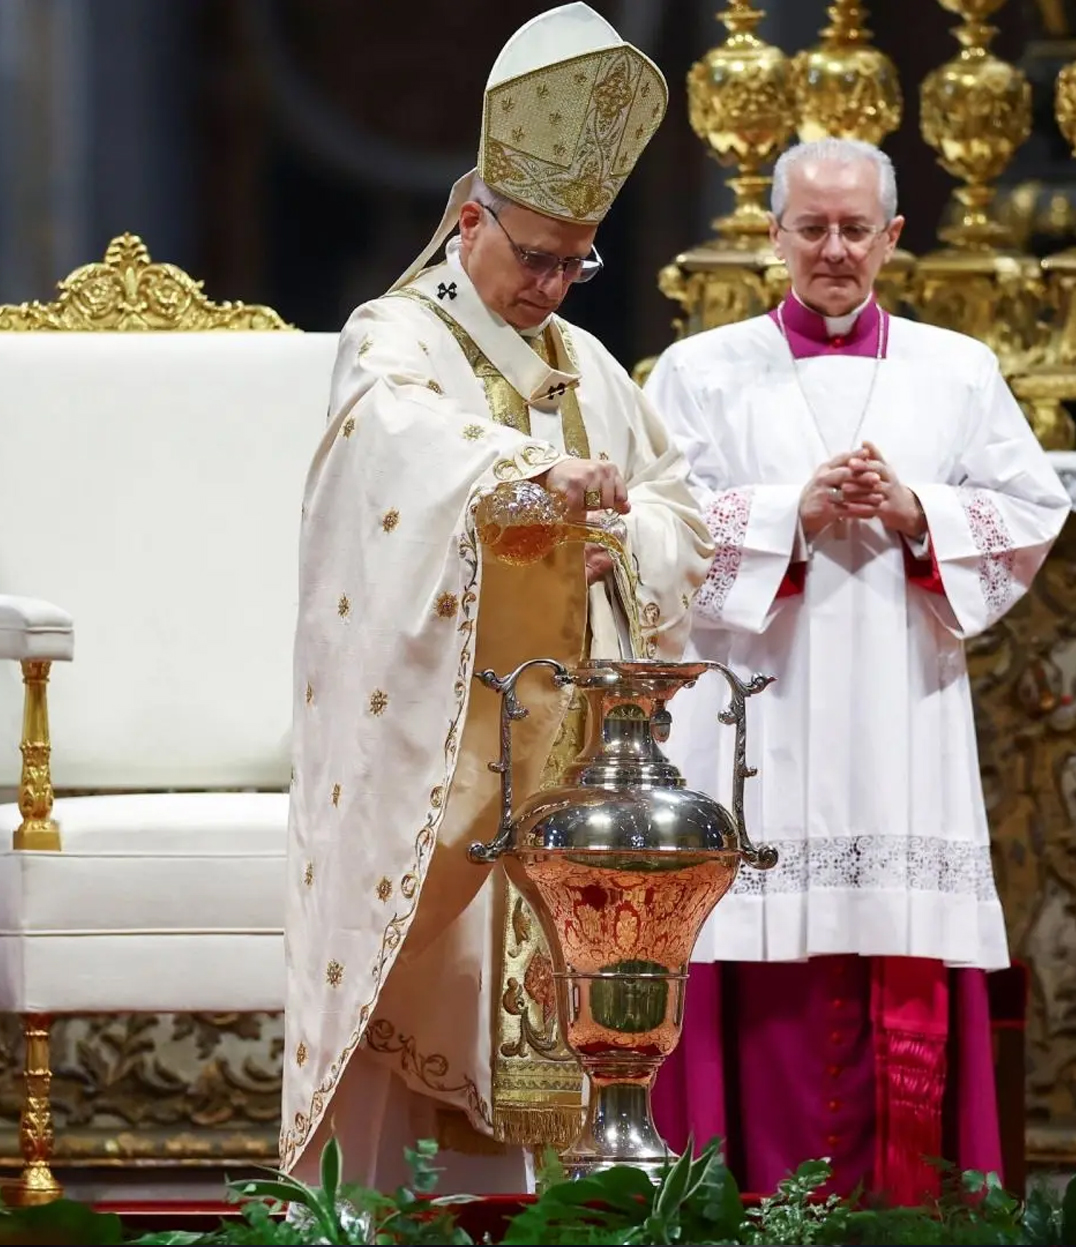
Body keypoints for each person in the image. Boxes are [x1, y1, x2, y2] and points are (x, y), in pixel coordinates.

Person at [281, 3, 710, 1194]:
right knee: (416, 986)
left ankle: (545, 1210)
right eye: (534, 256)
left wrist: (613, 533)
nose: (554, 284)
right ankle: (369, 1213)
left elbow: (680, 512)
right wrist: (529, 493)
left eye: (577, 262)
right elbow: (401, 457)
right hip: (437, 755)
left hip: (564, 750)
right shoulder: (393, 339)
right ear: (470, 220)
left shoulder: (589, 367)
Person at [642, 138, 1069, 1203]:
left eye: (853, 229)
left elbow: (1030, 511)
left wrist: (915, 508)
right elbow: (655, 531)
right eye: (810, 228)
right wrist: (793, 510)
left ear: (892, 236)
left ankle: (905, 1211)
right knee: (750, 941)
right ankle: (732, 1203)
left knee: (892, 936)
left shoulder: (955, 369)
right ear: (773, 235)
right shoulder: (699, 370)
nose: (832, 250)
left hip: (896, 707)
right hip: (753, 708)